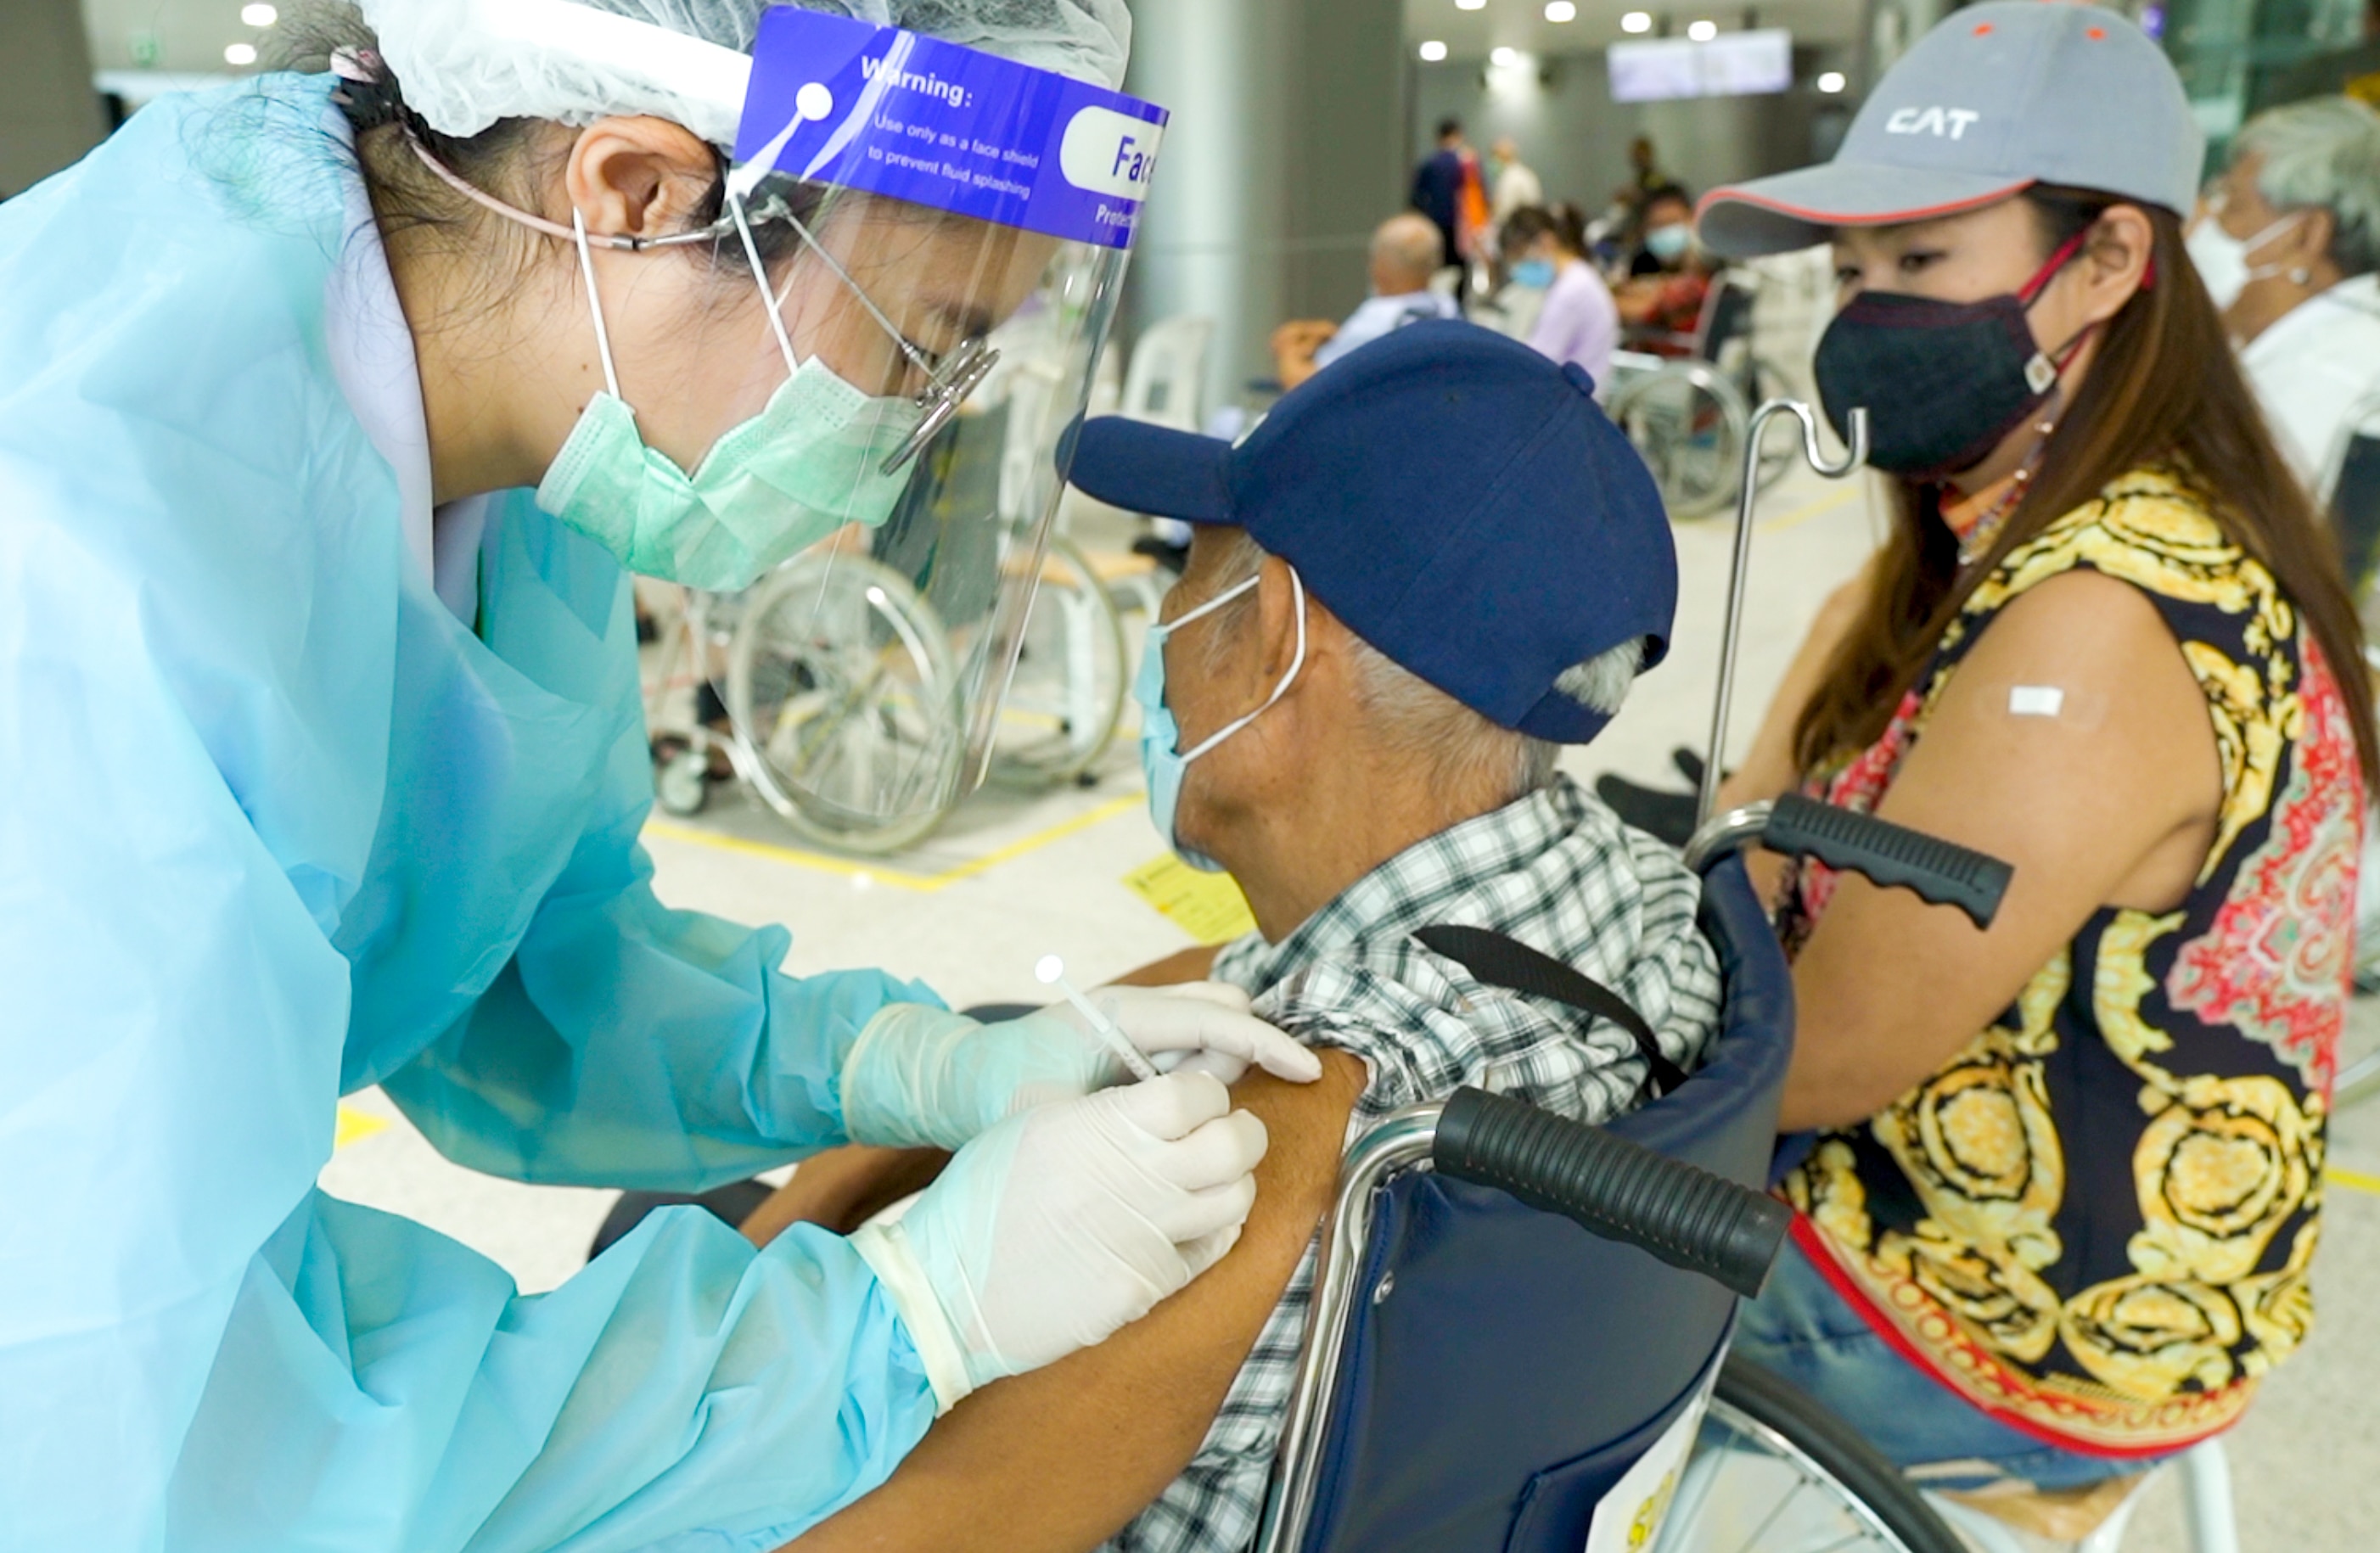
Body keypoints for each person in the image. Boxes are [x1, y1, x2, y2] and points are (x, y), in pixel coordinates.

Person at [0, 1, 1328, 1546]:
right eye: (924, 344)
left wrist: (910, 1066)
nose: (913, 425)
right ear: (633, 195)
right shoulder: (82, 576)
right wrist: (895, 1320)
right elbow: (166, 1439)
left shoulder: (525, 414)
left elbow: (520, 969)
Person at [746, 322, 1725, 1553]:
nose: (1161, 617)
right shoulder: (1628, 892)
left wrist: (759, 1264)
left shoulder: (1270, 1146)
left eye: (1185, 566)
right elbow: (1221, 981)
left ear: (1274, 632)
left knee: (654, 1244)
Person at [1696, 0, 2372, 1520]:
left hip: (1992, 1319)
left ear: (2112, 265)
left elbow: (1818, 1050)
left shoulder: (2099, 613)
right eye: (1851, 274)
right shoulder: (2040, 526)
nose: (1866, 318)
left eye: (1923, 266)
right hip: (2071, 1258)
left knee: (1447, 1279)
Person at [2187, 95, 2380, 501]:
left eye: (2232, 204)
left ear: (2306, 235)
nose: (2204, 222)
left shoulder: (2329, 380)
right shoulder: (2315, 350)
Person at [1268, 212, 1459, 391]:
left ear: (1381, 268)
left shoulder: (1381, 316)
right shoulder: (1448, 307)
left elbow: (1309, 387)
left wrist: (1287, 350)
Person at [1502, 203, 1619, 387]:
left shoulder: (1572, 291)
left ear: (1546, 242)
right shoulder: (1576, 278)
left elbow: (1537, 361)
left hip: (1578, 401)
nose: (1518, 269)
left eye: (1520, 258)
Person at [1616, 183, 1712, 351]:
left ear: (1692, 220)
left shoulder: (1697, 284)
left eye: (1673, 223)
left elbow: (1639, 309)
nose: (1666, 232)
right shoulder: (1646, 263)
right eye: (1658, 225)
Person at [1411, 115, 1485, 273]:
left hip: (1435, 226)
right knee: (1460, 271)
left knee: (1438, 269)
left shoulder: (1429, 164)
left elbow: (1416, 199)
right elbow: (1479, 196)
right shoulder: (1467, 164)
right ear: (1458, 135)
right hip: (1461, 229)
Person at [1487, 133, 1544, 237]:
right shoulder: (1525, 174)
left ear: (1502, 156)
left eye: (1494, 155)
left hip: (1516, 234)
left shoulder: (1510, 179)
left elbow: (1503, 213)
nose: (1492, 161)